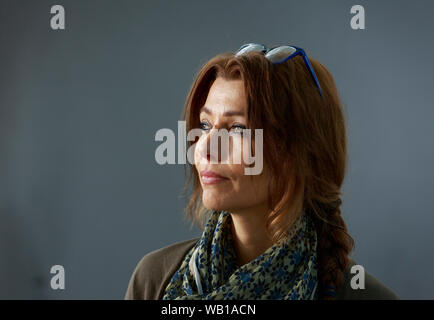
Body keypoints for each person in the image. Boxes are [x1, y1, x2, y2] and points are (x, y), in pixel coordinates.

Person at [125, 43, 398, 300]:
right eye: (205, 125)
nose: (204, 149)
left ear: (298, 152)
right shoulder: (154, 280)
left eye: (237, 129)